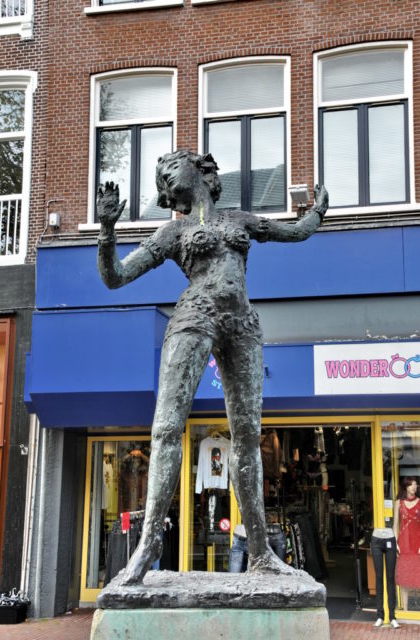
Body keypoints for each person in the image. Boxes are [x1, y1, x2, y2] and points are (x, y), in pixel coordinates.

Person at [97, 149, 328, 585]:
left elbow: (295, 232)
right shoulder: (172, 231)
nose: (164, 181)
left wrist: (317, 210)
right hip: (194, 316)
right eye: (160, 178)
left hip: (242, 324)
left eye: (170, 169)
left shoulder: (239, 220)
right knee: (166, 428)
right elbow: (115, 277)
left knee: (247, 437)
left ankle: (259, 552)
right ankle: (147, 548)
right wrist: (107, 229)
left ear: (199, 171)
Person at [394, 476, 420, 611]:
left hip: (417, 544)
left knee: (417, 575)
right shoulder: (399, 503)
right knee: (404, 578)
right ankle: (405, 610)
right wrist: (395, 543)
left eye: (415, 485)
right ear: (406, 487)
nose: (414, 487)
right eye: (411, 485)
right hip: (403, 544)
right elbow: (395, 525)